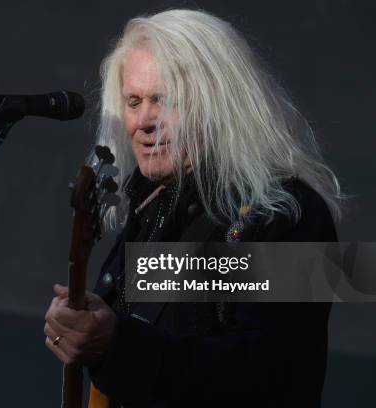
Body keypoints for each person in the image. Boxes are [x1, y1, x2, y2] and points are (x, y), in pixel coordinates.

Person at [44, 9, 342, 407]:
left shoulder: (287, 211)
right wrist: (84, 323)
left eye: (164, 100)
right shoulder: (153, 206)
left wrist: (116, 342)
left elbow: (271, 372)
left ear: (220, 102)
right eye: (133, 101)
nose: (144, 121)